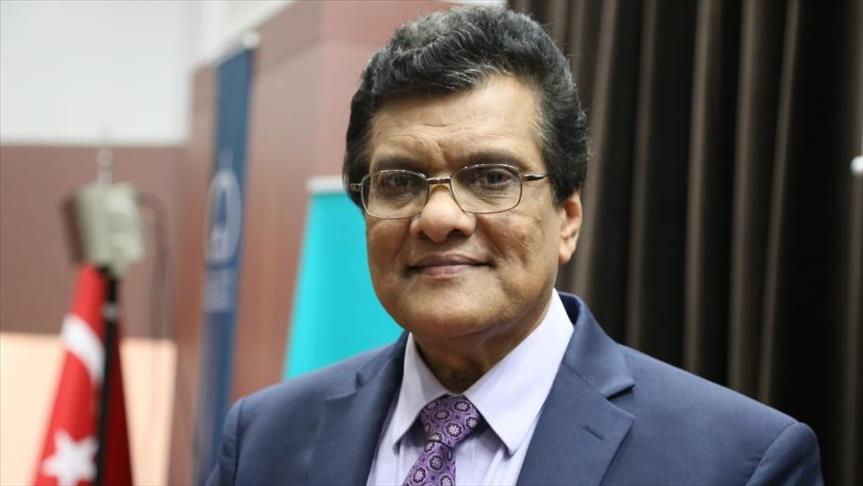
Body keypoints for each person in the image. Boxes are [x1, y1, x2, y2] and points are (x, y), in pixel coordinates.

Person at [207, 6, 822, 486]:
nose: (439, 218)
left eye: (491, 177)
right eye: (399, 183)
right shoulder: (264, 440)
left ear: (568, 218)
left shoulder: (736, 462)